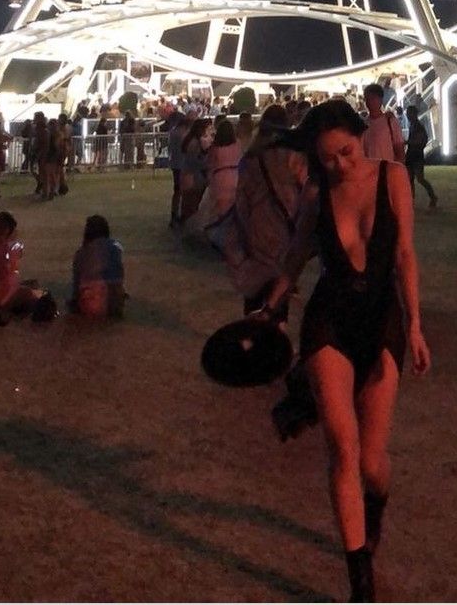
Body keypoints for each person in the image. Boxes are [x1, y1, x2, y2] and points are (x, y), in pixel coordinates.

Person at [264, 100, 431, 602]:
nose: (339, 164)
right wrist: (270, 307)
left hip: (380, 321)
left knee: (372, 462)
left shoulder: (393, 178)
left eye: (346, 151)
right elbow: (296, 255)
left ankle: (375, 505)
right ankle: (360, 582)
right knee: (343, 450)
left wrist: (415, 325)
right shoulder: (318, 194)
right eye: (328, 158)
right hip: (330, 320)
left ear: (361, 137)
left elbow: (404, 254)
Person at [230, 105, 307, 313]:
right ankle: (276, 321)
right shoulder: (293, 157)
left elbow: (241, 200)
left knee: (256, 288)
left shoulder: (250, 158)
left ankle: (254, 323)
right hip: (285, 228)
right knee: (279, 285)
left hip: (256, 228)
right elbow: (306, 190)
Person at [69, 215, 125, 318]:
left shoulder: (82, 252)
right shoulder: (116, 247)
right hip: (116, 304)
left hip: (94, 305)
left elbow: (76, 284)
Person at [361, 83, 405, 163]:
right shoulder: (363, 124)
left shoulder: (390, 121)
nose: (370, 102)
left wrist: (398, 167)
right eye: (367, 99)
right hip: (370, 168)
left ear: (380, 100)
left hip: (388, 167)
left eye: (373, 98)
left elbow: (399, 148)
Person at [179, 118, 212, 223]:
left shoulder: (191, 140)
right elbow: (195, 162)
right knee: (192, 202)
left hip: (188, 174)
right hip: (193, 176)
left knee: (188, 202)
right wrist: (207, 162)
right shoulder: (194, 143)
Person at [404, 105, 437, 211]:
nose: (408, 116)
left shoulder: (418, 126)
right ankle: (411, 200)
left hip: (416, 156)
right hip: (412, 155)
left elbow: (421, 141)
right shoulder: (413, 125)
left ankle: (432, 197)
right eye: (407, 114)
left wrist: (407, 142)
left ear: (414, 114)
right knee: (411, 179)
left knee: (419, 179)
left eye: (409, 114)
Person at [167, 113, 190, 227]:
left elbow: (170, 148)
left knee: (177, 191)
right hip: (183, 165)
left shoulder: (172, 132)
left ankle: (174, 215)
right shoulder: (185, 133)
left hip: (175, 164)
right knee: (185, 191)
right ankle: (182, 215)